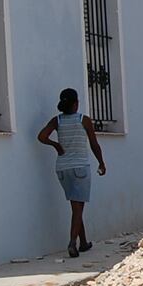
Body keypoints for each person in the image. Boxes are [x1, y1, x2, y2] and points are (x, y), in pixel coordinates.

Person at [37, 88, 106, 258]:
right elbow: (94, 144)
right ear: (76, 104)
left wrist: (56, 145)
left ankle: (83, 242)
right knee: (78, 208)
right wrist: (101, 162)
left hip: (62, 168)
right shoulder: (84, 120)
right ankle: (72, 243)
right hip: (80, 168)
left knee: (76, 207)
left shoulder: (57, 120)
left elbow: (42, 136)